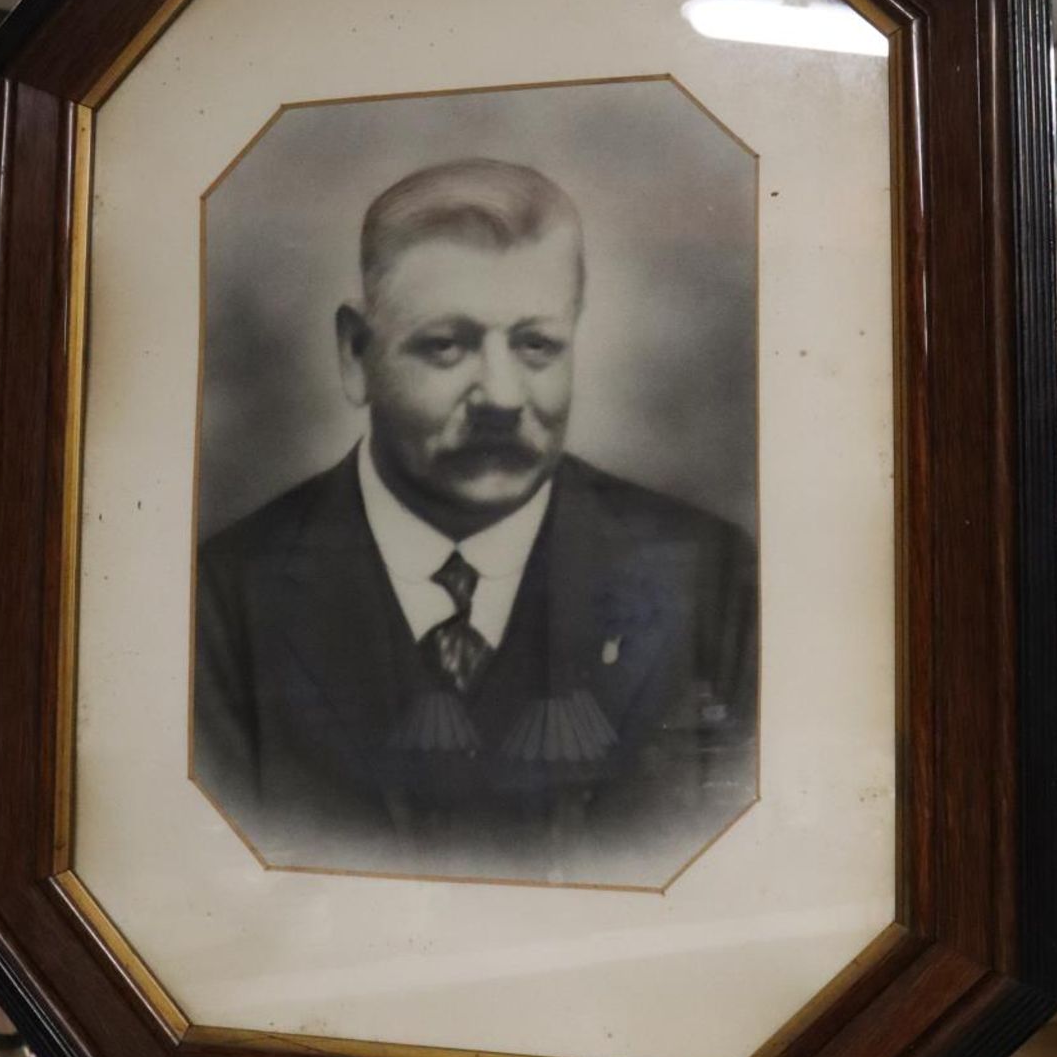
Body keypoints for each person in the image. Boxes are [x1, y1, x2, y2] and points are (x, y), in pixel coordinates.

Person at [194, 158, 756, 884]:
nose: (500, 395)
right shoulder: (223, 601)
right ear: (356, 354)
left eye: (536, 345)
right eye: (446, 346)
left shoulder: (709, 583)